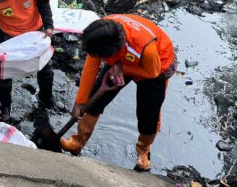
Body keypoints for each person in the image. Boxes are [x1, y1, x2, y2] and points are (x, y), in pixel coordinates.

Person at [60, 14, 177, 172]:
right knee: (95, 100)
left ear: (112, 52)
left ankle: (143, 151)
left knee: (148, 114)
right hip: (122, 60)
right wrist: (80, 102)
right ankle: (78, 142)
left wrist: (123, 68)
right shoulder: (101, 34)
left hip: (156, 66)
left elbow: (152, 72)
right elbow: (90, 69)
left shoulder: (145, 47)